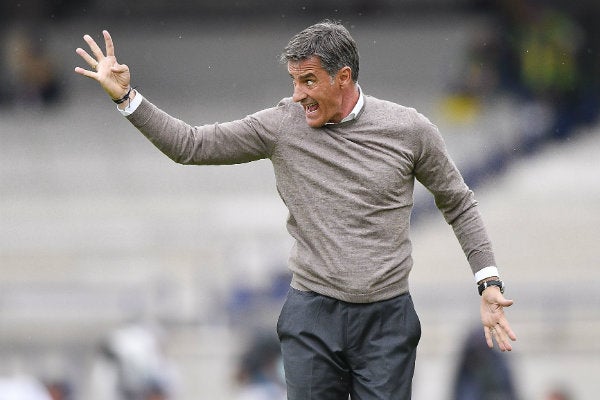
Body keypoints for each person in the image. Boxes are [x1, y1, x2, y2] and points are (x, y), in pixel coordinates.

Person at [75, 20, 517, 399]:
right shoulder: (281, 125)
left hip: (386, 319)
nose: (298, 94)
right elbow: (191, 145)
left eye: (308, 81)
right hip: (312, 316)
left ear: (343, 78)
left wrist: (487, 281)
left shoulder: (409, 130)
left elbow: (458, 202)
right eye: (293, 81)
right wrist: (127, 98)